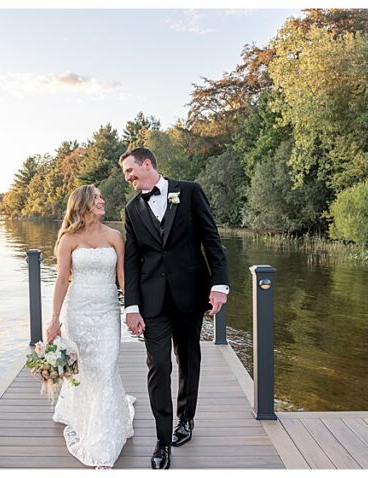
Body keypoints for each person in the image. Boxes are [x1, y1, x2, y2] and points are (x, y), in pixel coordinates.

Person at [119, 147, 229, 469]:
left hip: (189, 295)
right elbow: (132, 260)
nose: (128, 178)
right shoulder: (131, 209)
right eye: (126, 174)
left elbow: (212, 240)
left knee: (189, 358)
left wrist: (219, 285)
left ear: (147, 164)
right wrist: (132, 306)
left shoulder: (190, 192)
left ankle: (187, 419)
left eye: (130, 171)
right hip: (153, 303)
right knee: (158, 367)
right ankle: (162, 440)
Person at [45, 184, 135, 469]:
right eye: (97, 198)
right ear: (83, 204)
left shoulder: (114, 236)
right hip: (79, 313)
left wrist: (132, 309)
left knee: (106, 370)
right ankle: (90, 423)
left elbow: (122, 277)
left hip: (108, 312)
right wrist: (54, 320)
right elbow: (61, 280)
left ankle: (103, 442)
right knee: (86, 372)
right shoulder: (68, 239)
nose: (102, 200)